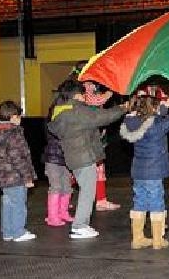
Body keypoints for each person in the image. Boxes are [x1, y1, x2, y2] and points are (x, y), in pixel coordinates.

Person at [48, 80, 127, 239]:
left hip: (74, 157)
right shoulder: (77, 111)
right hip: (83, 157)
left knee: (85, 190)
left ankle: (80, 225)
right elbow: (103, 117)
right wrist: (123, 108)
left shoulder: (61, 111)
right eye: (83, 94)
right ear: (77, 94)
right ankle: (80, 226)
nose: (85, 97)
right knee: (87, 192)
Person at [120, 91, 169, 250]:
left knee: (139, 201)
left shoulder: (131, 122)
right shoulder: (154, 126)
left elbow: (154, 114)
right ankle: (157, 240)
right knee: (156, 202)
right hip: (153, 172)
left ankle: (138, 238)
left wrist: (166, 104)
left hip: (138, 172)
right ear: (152, 109)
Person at [0, 101, 37, 242]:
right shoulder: (14, 134)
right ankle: (18, 232)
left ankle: (8, 232)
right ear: (13, 116)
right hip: (15, 177)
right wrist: (27, 177)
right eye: (19, 116)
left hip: (2, 177)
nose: (20, 120)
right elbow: (18, 158)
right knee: (19, 204)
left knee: (8, 203)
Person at [82, 80, 121, 211]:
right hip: (87, 137)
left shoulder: (87, 90)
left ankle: (100, 199)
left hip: (93, 135)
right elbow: (96, 101)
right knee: (89, 168)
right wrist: (112, 89)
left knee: (97, 168)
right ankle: (100, 200)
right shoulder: (84, 90)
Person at [42, 86, 75, 227]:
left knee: (67, 187)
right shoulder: (53, 123)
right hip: (53, 159)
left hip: (65, 158)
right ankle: (52, 216)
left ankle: (63, 212)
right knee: (56, 186)